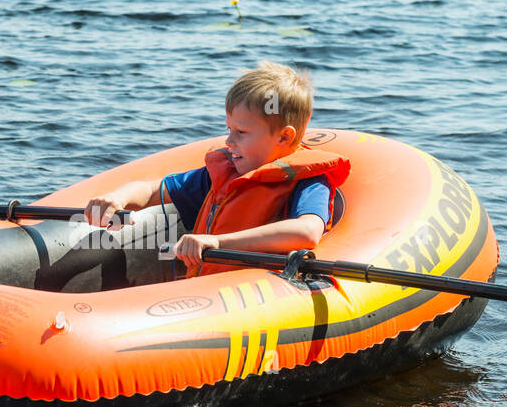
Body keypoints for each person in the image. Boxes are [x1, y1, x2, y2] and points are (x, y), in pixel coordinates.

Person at [83, 61, 350, 276]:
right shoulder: (225, 173)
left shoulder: (309, 181)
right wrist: (118, 198)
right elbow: (152, 189)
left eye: (242, 132)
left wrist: (218, 242)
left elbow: (307, 232)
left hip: (261, 296)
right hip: (203, 292)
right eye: (229, 129)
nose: (228, 141)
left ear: (283, 137)